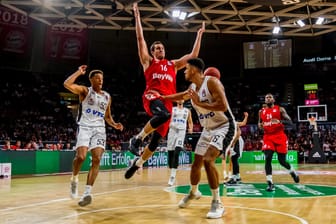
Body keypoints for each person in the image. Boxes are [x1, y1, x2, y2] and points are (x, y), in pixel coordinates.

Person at [124, 3, 205, 179]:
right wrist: (137, 18)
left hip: (168, 101)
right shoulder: (148, 62)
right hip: (152, 95)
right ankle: (136, 139)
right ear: (152, 52)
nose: (161, 50)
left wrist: (199, 35)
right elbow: (140, 40)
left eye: (162, 48)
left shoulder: (173, 65)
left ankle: (137, 164)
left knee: (155, 141)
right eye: (157, 48)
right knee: (163, 116)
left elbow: (192, 56)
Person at [161, 58, 236, 219]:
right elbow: (182, 95)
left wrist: (200, 103)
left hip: (224, 126)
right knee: (196, 164)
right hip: (208, 129)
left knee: (209, 160)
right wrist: (162, 97)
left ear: (194, 69)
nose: (184, 71)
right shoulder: (193, 87)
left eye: (186, 68)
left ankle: (217, 202)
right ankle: (194, 192)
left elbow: (223, 106)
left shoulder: (212, 83)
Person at [64, 65, 124, 206]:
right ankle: (74, 179)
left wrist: (114, 124)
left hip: (99, 129)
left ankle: (87, 193)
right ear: (91, 80)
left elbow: (107, 116)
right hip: (84, 127)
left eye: (101, 79)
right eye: (97, 78)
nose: (100, 81)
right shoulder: (85, 91)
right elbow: (67, 84)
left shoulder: (107, 96)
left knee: (96, 159)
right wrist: (79, 72)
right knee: (81, 157)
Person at [258, 93, 299, 192]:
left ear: (273, 100)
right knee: (268, 158)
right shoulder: (261, 111)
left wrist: (280, 122)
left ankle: (292, 172)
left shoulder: (280, 109)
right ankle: (270, 183)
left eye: (270, 97)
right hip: (268, 137)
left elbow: (291, 123)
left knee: (282, 161)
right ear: (265, 101)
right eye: (266, 97)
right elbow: (259, 124)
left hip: (280, 136)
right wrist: (260, 126)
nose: (268, 98)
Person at [167, 100, 193, 186]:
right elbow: (166, 119)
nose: (180, 100)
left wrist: (191, 128)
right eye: (179, 98)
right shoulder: (172, 109)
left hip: (181, 131)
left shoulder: (187, 111)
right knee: (170, 154)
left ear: (183, 100)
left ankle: (172, 176)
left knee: (177, 152)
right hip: (172, 131)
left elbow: (190, 121)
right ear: (176, 100)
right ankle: (172, 169)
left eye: (182, 98)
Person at [225, 112, 248, 185]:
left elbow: (239, 133)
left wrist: (233, 143)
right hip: (235, 141)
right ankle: (237, 176)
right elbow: (243, 123)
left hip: (237, 140)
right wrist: (246, 116)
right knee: (234, 158)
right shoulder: (227, 124)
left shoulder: (232, 123)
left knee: (234, 158)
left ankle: (234, 178)